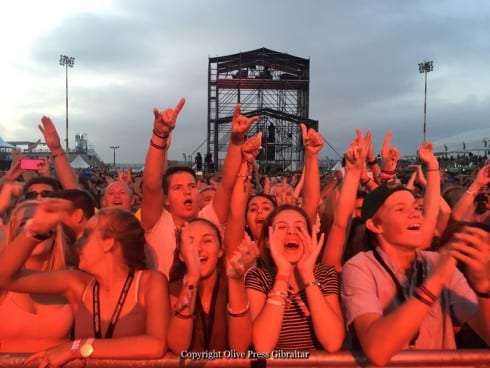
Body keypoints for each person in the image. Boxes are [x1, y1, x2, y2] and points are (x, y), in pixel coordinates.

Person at [341, 142, 490, 366]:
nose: (414, 214)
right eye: (400, 209)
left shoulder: (437, 261)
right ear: (375, 225)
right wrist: (435, 281)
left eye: (415, 207)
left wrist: (484, 288)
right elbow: (377, 350)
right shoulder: (359, 267)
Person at [0, 200, 169, 366]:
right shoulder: (77, 284)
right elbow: (6, 278)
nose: (78, 241)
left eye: (87, 234)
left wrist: (76, 348)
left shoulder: (149, 282)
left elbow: (155, 344)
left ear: (108, 243)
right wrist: (35, 230)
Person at [142, 99, 258, 278]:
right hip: (163, 302)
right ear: (165, 199)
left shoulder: (208, 219)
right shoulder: (157, 222)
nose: (187, 192)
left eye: (191, 186)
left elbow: (227, 184)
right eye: (178, 188)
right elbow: (151, 186)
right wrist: (159, 135)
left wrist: (236, 141)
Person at [245, 205, 345, 352]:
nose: (291, 232)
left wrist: (307, 274)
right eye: (281, 227)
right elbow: (262, 347)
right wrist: (283, 274)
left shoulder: (325, 274)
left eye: (299, 227)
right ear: (267, 240)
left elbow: (333, 343)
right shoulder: (259, 278)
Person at [167, 218, 255, 353]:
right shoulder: (175, 288)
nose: (198, 248)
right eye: (190, 242)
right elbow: (178, 346)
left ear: (220, 251)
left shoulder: (230, 286)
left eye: (207, 240)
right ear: (181, 255)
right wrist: (192, 277)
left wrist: (236, 280)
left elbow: (240, 347)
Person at [0, 200, 73, 353]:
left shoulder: (71, 280)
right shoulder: (3, 284)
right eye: (25, 224)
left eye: (44, 224)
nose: (39, 227)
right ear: (13, 235)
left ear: (54, 235)